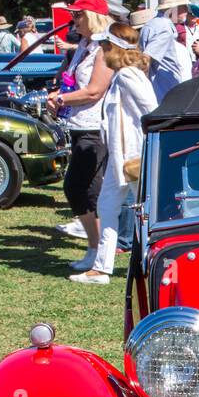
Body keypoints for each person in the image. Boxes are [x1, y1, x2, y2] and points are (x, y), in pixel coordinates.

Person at [73, 24, 156, 284]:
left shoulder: (128, 75)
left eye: (105, 46)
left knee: (145, 212)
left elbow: (151, 109)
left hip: (132, 156)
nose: (101, 50)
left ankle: (149, 263)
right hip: (120, 155)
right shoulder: (123, 74)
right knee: (107, 206)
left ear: (114, 48)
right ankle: (102, 267)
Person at [45, 0, 114, 271]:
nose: (74, 19)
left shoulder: (105, 47)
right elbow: (74, 84)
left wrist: (61, 99)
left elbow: (95, 90)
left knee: (81, 189)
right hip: (78, 125)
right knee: (83, 191)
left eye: (78, 14)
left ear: (93, 16)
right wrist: (58, 96)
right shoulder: (85, 45)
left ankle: (99, 251)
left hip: (95, 128)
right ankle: (95, 248)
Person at [140, 0, 193, 100]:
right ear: (174, 9)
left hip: (159, 92)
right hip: (163, 94)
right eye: (184, 6)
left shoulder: (152, 24)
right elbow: (145, 59)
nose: (187, 11)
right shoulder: (164, 27)